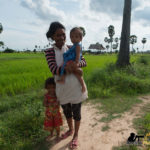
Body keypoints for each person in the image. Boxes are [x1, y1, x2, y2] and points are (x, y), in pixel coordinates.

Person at [44, 21, 88, 149]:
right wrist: (73, 69)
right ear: (52, 36)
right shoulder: (49, 52)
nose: (62, 38)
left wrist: (77, 66)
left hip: (75, 88)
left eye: (63, 35)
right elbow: (53, 69)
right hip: (62, 88)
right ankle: (70, 130)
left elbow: (84, 62)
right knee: (67, 112)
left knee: (77, 113)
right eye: (58, 35)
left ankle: (75, 136)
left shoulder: (72, 47)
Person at [57, 27, 86, 93]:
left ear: (81, 38)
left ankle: (63, 79)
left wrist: (76, 63)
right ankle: (83, 85)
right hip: (71, 61)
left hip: (73, 61)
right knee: (76, 74)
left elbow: (78, 55)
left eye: (76, 37)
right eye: (72, 37)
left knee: (65, 67)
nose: (74, 39)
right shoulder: (73, 46)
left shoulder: (78, 45)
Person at [43, 77, 63, 142]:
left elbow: (60, 102)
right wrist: (48, 104)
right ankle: (51, 134)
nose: (51, 89)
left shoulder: (57, 95)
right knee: (50, 125)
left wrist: (58, 102)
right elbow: (44, 104)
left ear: (56, 87)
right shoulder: (46, 95)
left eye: (53, 87)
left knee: (57, 125)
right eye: (49, 88)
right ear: (46, 88)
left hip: (56, 113)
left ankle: (58, 135)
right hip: (49, 113)